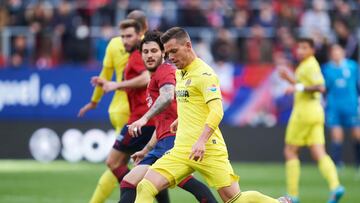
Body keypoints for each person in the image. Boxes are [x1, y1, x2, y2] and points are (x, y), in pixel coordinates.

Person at [134, 27, 292, 203]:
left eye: (174, 51)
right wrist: (181, 119)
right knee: (145, 186)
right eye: (168, 52)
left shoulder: (205, 74)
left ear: (188, 45)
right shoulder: (179, 73)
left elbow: (217, 110)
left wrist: (201, 141)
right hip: (181, 149)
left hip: (207, 149)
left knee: (234, 200)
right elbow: (194, 103)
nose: (170, 57)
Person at [106, 30, 217, 203]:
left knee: (181, 182)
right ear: (141, 55)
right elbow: (161, 124)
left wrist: (143, 119)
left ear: (163, 53)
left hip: (174, 142)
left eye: (154, 51)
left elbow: (167, 96)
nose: (149, 55)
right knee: (131, 182)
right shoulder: (154, 79)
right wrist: (146, 150)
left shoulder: (165, 71)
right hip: (162, 142)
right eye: (145, 52)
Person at [84, 16, 152, 203]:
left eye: (128, 36)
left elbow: (144, 77)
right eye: (122, 36)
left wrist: (98, 98)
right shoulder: (144, 50)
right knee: (148, 165)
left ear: (139, 31)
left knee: (117, 162)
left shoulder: (140, 51)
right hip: (134, 112)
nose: (124, 40)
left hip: (134, 115)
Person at [279, 38, 345, 203]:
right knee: (319, 152)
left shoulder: (310, 64)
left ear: (312, 50)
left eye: (305, 48)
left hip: (304, 112)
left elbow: (320, 87)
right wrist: (290, 80)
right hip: (316, 111)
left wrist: (297, 87)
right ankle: (335, 186)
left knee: (290, 151)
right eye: (299, 47)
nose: (300, 51)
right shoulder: (305, 65)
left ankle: (292, 195)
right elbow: (306, 86)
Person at [322, 44, 360, 170]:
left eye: (338, 51)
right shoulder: (327, 69)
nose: (336, 54)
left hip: (351, 105)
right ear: (331, 54)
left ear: (343, 52)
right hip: (334, 106)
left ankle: (358, 163)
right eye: (334, 52)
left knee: (357, 134)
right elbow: (324, 88)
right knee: (336, 134)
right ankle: (337, 163)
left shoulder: (353, 66)